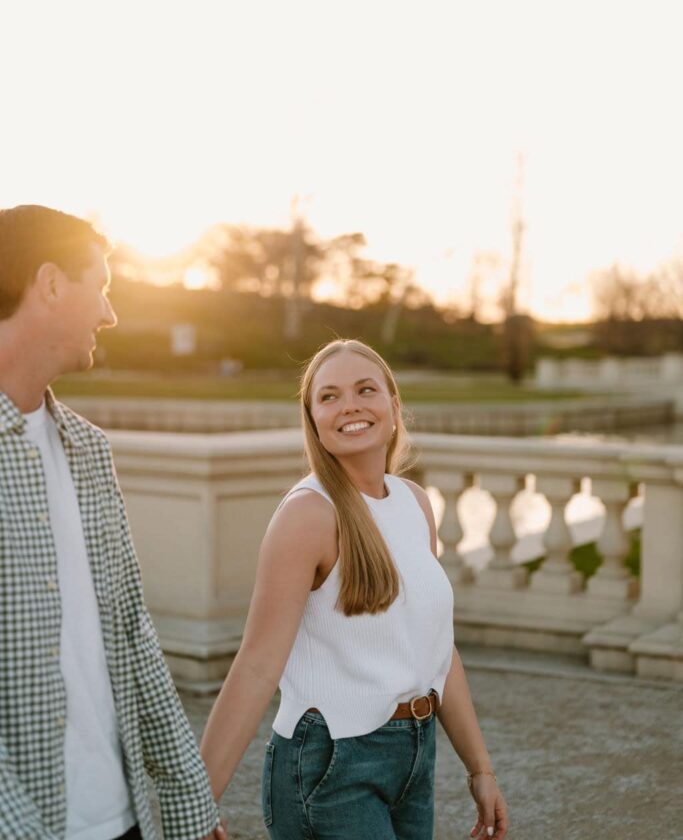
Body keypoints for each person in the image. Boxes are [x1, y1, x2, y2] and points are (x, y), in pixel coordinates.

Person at [200, 338, 508, 840]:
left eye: (366, 389)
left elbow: (436, 649)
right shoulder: (307, 514)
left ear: (393, 404)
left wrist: (481, 770)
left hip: (414, 755)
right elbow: (256, 665)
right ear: (314, 420)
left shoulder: (414, 502)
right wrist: (197, 797)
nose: (350, 406)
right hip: (331, 763)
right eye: (329, 396)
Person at [0, 205, 226, 840]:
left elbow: (131, 634)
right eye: (99, 286)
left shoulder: (87, 450)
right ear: (48, 284)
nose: (110, 313)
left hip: (122, 820)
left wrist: (191, 806)